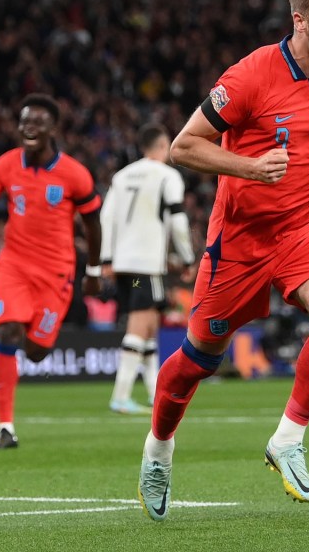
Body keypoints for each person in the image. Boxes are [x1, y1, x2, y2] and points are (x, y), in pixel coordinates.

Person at [136, 0, 309, 521]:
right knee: (198, 360)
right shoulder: (250, 76)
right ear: (300, 19)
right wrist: (248, 167)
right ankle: (158, 449)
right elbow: (183, 147)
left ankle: (288, 439)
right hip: (240, 241)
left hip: (305, 228)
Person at [0, 93, 103, 450]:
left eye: (37, 122)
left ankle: (37, 343)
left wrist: (94, 269)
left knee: (36, 350)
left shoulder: (74, 174)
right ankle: (5, 427)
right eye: (24, 122)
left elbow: (93, 225)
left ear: (53, 128)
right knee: (8, 331)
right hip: (13, 265)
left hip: (56, 272)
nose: (28, 128)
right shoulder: (6, 165)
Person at [100, 123, 196, 415]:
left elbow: (106, 218)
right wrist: (188, 258)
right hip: (145, 264)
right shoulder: (167, 176)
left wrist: (106, 259)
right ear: (164, 146)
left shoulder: (121, 176)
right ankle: (121, 395)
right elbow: (178, 223)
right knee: (140, 326)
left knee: (151, 326)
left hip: (122, 263)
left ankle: (157, 394)